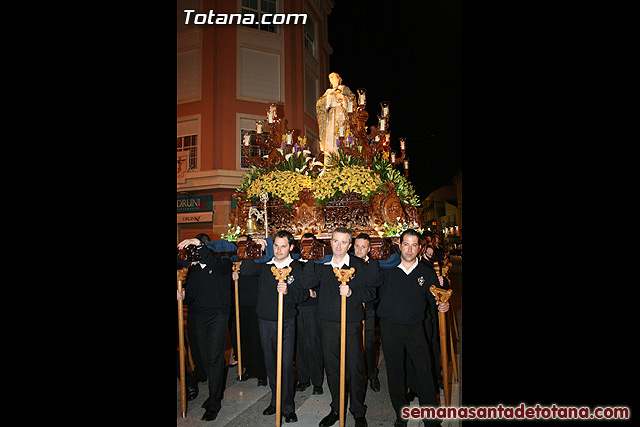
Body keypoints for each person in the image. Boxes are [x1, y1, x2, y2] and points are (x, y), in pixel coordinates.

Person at [375, 229, 449, 427]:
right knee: (395, 372)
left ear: (420, 248)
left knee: (425, 371)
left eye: (414, 245)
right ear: (399, 245)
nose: (409, 249)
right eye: (406, 244)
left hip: (416, 328)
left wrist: (442, 303)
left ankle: (431, 419)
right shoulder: (386, 269)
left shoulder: (426, 272)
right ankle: (401, 414)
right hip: (390, 328)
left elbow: (435, 299)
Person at [301, 227, 375, 427]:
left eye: (343, 242)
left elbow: (371, 292)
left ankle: (358, 411)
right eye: (336, 241)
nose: (339, 246)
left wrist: (352, 293)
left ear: (350, 245)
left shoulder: (358, 265)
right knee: (333, 368)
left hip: (350, 322)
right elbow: (307, 282)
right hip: (327, 322)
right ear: (330, 243)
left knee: (355, 368)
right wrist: (309, 259)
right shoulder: (322, 265)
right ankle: (336, 407)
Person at [238, 231, 309, 423]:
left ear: (291, 248)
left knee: (285, 364)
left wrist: (288, 291)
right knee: (271, 364)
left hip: (286, 322)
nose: (278, 250)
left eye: (283, 246)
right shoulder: (264, 266)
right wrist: (255, 249)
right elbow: (246, 270)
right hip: (265, 321)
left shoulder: (296, 267)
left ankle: (287, 406)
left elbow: (303, 295)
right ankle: (275, 400)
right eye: (276, 246)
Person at [177, 235, 233, 422]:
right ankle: (212, 391)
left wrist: (199, 245)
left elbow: (214, 264)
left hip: (218, 314)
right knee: (202, 357)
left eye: (198, 249)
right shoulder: (193, 270)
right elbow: (192, 296)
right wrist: (183, 295)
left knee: (215, 357)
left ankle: (214, 402)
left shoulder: (222, 262)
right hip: (198, 315)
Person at [232, 235, 268, 386]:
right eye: (239, 244)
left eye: (244, 243)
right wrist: (232, 275)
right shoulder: (233, 259)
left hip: (256, 304)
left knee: (256, 340)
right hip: (240, 304)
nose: (242, 246)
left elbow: (250, 271)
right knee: (242, 339)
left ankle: (261, 372)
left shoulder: (257, 258)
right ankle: (248, 367)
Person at [294, 233, 325, 395]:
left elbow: (320, 284)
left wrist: (311, 290)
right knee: (299, 346)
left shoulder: (319, 263)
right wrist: (306, 291)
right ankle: (303, 378)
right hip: (298, 307)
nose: (306, 248)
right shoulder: (295, 263)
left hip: (313, 309)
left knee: (314, 345)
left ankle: (317, 381)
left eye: (309, 245)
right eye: (303, 244)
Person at [352, 233, 380, 392]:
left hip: (367, 309)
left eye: (363, 247)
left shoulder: (372, 264)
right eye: (357, 246)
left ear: (369, 249)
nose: (359, 250)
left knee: (368, 344)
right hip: (350, 308)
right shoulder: (347, 262)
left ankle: (372, 374)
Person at [315, 72, 355, 164]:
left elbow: (352, 99)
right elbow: (320, 105)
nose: (332, 79)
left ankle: (342, 159)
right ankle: (330, 160)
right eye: (330, 78)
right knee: (331, 135)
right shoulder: (328, 92)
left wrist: (342, 97)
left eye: (333, 77)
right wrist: (328, 98)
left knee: (342, 135)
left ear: (338, 78)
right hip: (331, 115)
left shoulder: (344, 89)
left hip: (341, 114)